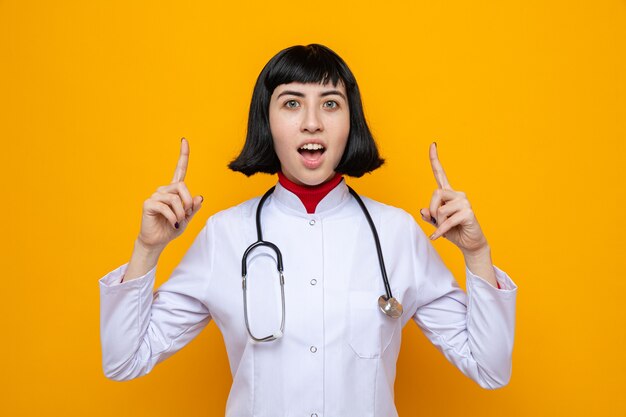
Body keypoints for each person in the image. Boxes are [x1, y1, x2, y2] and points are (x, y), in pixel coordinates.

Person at [99, 44, 517, 417]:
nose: (312, 122)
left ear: (351, 122)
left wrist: (477, 255)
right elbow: (125, 360)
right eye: (292, 103)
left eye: (331, 104)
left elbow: (489, 368)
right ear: (267, 120)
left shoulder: (396, 233)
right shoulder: (225, 235)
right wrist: (147, 249)